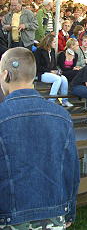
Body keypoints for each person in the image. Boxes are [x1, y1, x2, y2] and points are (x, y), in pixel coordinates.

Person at [0, 47, 79, 229]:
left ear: (6, 75)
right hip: (54, 216)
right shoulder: (61, 115)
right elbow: (71, 169)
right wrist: (68, 211)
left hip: (9, 217)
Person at [34, 34, 73, 107]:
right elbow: (37, 66)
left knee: (64, 79)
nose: (56, 43)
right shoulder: (39, 51)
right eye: (54, 42)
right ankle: (51, 101)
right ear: (49, 42)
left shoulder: (52, 50)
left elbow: (54, 64)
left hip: (51, 72)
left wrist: (56, 71)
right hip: (41, 73)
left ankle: (64, 100)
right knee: (57, 79)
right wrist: (50, 71)